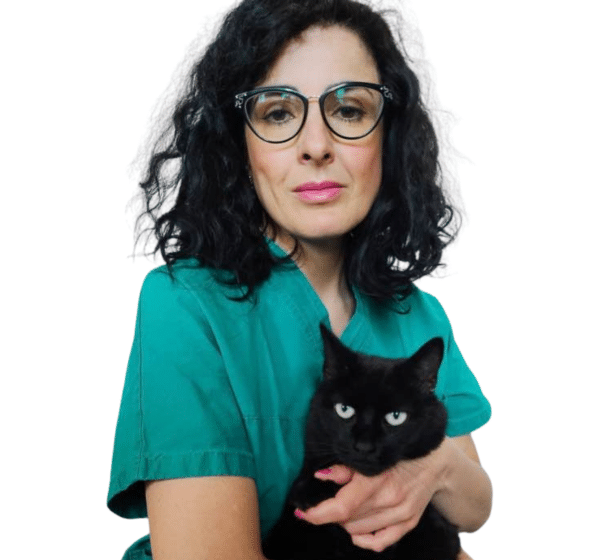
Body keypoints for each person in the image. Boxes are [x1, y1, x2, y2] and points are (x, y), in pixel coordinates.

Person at [107, 0, 492, 558]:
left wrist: (436, 466)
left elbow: (474, 507)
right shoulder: (186, 305)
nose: (316, 146)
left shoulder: (416, 314)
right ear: (238, 143)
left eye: (350, 110)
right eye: (278, 114)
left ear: (389, 137)